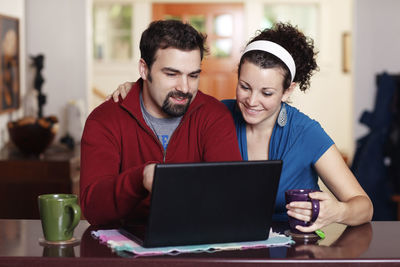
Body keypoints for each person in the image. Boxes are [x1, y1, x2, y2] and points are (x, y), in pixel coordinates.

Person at [110, 22, 373, 233]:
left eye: (267, 92)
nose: (251, 101)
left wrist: (338, 212)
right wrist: (137, 88)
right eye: (245, 87)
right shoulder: (214, 115)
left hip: (293, 249)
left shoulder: (305, 132)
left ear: (288, 90)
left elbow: (364, 206)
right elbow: (168, 99)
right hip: (225, 244)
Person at [81, 20, 242, 226]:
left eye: (193, 76)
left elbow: (230, 196)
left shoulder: (214, 116)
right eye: (171, 74)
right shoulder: (104, 120)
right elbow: (93, 209)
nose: (184, 88)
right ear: (144, 69)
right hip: (125, 250)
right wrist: (140, 178)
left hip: (197, 243)